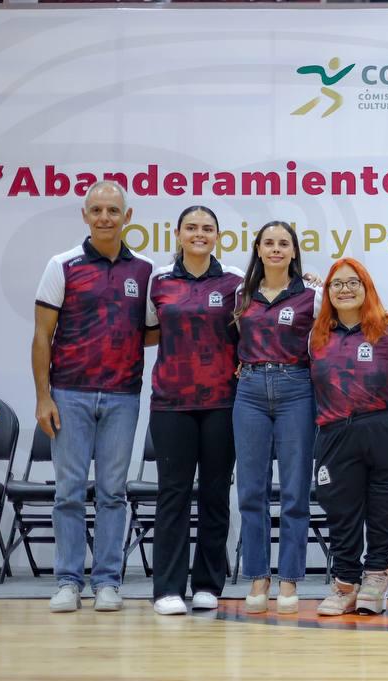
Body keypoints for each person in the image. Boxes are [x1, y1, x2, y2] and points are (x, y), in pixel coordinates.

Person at [34, 181, 155, 613]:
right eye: (97, 210)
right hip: (69, 394)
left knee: (112, 492)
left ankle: (107, 582)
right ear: (85, 215)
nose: (105, 217)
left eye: (113, 210)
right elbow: (42, 336)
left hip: (123, 396)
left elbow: (152, 331)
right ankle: (68, 580)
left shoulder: (145, 270)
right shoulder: (61, 265)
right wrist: (43, 397)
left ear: (128, 216)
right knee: (68, 492)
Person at [309, 258, 388, 616]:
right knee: (341, 513)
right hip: (335, 433)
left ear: (367, 288)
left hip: (385, 429)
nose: (345, 289)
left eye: (354, 282)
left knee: (383, 510)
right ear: (327, 292)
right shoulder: (314, 335)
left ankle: (377, 578)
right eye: (337, 284)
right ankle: (345, 584)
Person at [144, 206, 243, 615]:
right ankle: (168, 588)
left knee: (216, 494)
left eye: (207, 228)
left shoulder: (236, 281)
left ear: (218, 236)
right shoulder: (159, 281)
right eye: (191, 228)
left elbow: (253, 330)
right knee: (173, 494)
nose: (199, 234)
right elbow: (148, 333)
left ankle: (207, 585)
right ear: (178, 234)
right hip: (171, 403)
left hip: (223, 402)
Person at [232, 221, 321, 614]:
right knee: (251, 489)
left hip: (296, 388)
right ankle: (258, 576)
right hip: (249, 389)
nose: (276, 249)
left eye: (283, 243)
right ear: (258, 249)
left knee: (294, 490)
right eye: (268, 243)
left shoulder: (311, 295)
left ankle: (288, 578)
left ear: (294, 251)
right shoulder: (241, 293)